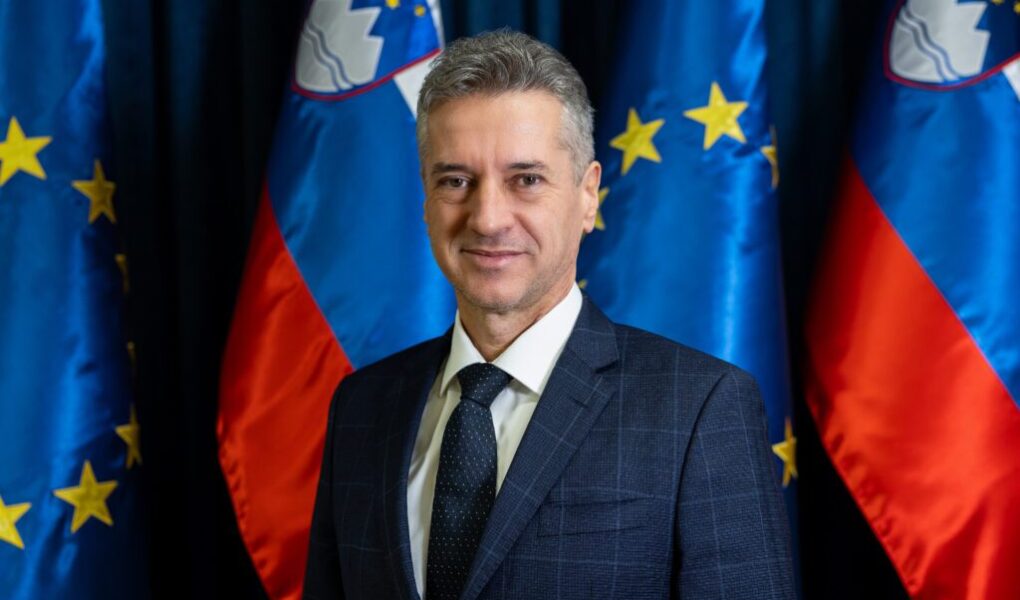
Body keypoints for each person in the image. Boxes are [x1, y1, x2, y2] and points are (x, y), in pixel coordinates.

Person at [303, 30, 794, 600]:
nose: (488, 218)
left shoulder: (701, 408)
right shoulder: (362, 407)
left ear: (588, 196)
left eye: (526, 180)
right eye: (456, 181)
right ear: (426, 199)